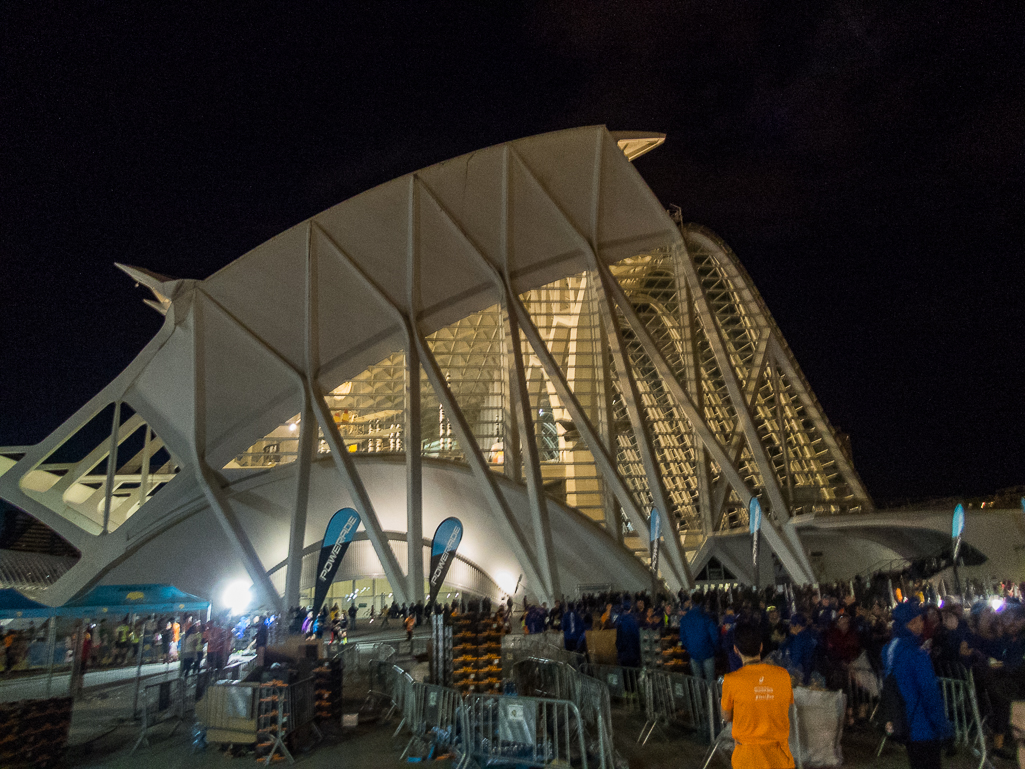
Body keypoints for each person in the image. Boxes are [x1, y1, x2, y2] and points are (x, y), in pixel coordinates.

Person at [882, 602, 951, 769]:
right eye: (919, 620)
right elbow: (930, 695)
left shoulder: (889, 650)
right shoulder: (917, 655)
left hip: (905, 722)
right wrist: (944, 728)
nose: (922, 624)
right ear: (910, 623)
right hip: (923, 727)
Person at [721, 621, 795, 768]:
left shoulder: (731, 680)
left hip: (748, 757)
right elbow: (784, 705)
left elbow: (727, 716)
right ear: (761, 647)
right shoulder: (783, 675)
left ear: (736, 650)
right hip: (779, 755)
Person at [679, 591, 719, 682]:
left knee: (697, 683)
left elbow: (683, 637)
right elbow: (714, 636)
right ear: (703, 603)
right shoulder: (707, 617)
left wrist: (689, 648)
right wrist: (716, 649)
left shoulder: (685, 618)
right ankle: (710, 696)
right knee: (710, 683)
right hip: (708, 653)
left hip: (693, 654)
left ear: (692, 602)